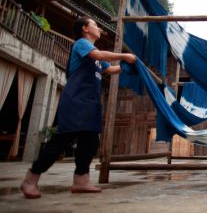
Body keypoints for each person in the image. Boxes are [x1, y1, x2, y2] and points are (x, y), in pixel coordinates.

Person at [20, 17, 136, 199]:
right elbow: (98, 56)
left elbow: (108, 69)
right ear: (85, 29)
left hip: (90, 102)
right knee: (63, 139)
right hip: (76, 100)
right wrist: (123, 56)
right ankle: (31, 178)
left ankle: (81, 180)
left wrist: (128, 66)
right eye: (95, 26)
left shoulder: (96, 54)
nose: (99, 29)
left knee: (90, 141)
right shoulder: (82, 44)